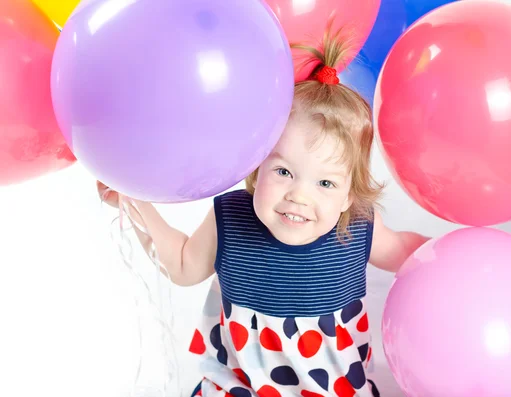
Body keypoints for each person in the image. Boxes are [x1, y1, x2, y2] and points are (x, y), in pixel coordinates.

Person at [98, 26, 430, 397]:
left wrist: (461, 257)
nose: (299, 197)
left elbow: (411, 254)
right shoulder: (231, 219)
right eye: (284, 172)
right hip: (240, 387)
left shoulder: (357, 228)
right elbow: (182, 265)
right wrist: (136, 203)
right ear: (257, 168)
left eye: (325, 184)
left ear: (349, 196)